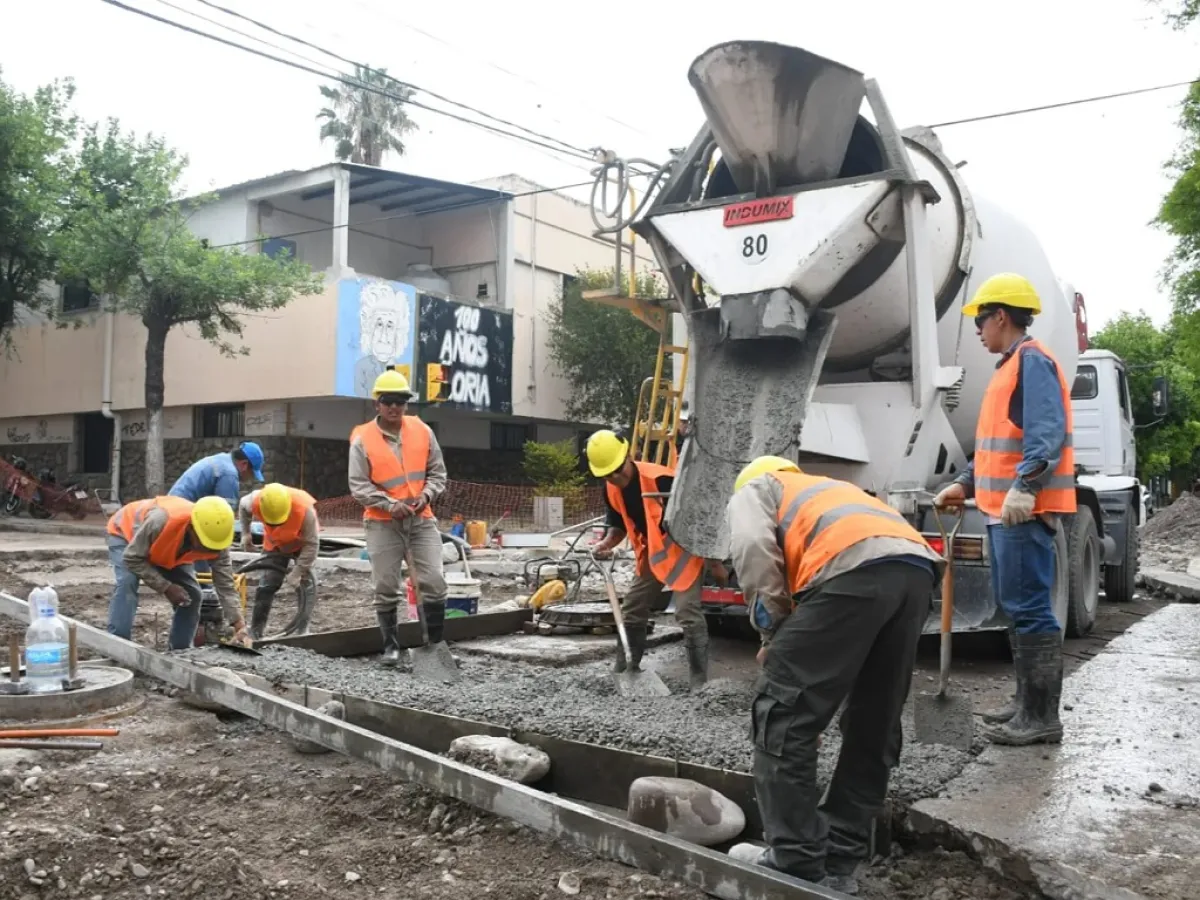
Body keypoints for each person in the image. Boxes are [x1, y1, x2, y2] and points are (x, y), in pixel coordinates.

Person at [724, 456, 943, 895]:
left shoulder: (758, 489)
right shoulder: (832, 492)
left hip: (852, 570)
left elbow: (751, 547)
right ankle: (842, 856)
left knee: (781, 717)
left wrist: (771, 630)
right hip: (916, 571)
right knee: (874, 720)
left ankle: (795, 863)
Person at [934, 272, 1075, 747]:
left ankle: (1041, 717)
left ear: (1001, 316)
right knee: (1016, 607)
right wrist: (962, 483)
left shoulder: (1032, 363)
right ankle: (1024, 704)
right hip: (1000, 510)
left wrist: (1026, 487)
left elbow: (1045, 432)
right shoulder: (1008, 366)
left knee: (1031, 608)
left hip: (1021, 511)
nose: (977, 331)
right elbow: (994, 448)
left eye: (980, 320)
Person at [585, 428, 709, 688]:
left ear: (628, 455)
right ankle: (627, 667)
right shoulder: (611, 489)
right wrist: (607, 543)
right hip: (653, 554)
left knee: (687, 612)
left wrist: (715, 560)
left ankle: (699, 681)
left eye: (619, 469)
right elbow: (617, 525)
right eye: (608, 474)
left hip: (682, 552)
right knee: (632, 609)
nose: (616, 477)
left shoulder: (662, 479)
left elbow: (697, 516)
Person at [348, 367, 449, 666]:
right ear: (377, 403)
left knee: (433, 580)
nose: (395, 407)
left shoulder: (422, 431)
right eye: (388, 401)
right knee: (385, 586)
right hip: (382, 523)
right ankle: (391, 646)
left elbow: (438, 474)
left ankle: (435, 645)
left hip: (421, 519)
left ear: (407, 404)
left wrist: (426, 496)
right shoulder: (363, 439)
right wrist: (390, 505)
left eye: (401, 401)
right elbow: (358, 486)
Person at [106, 495, 248, 650]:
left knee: (193, 595)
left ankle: (181, 651)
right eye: (205, 544)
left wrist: (239, 624)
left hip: (166, 550)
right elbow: (132, 558)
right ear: (192, 528)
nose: (209, 551)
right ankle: (117, 647)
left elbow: (225, 584)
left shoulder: (217, 540)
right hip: (126, 534)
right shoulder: (161, 521)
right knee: (127, 583)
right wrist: (166, 587)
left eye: (213, 547)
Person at [169, 441, 266, 575]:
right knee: (202, 547)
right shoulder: (229, 475)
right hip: (181, 515)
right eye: (252, 473)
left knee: (199, 547)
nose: (251, 478)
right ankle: (207, 589)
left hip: (174, 509)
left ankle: (204, 585)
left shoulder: (222, 460)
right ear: (244, 464)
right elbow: (223, 519)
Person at [238, 482, 320, 640]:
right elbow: (243, 508)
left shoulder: (305, 510)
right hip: (274, 543)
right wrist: (246, 533)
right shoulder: (255, 500)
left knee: (307, 586)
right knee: (266, 585)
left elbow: (312, 545)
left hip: (301, 544)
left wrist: (297, 572)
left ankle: (301, 631)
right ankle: (256, 632)